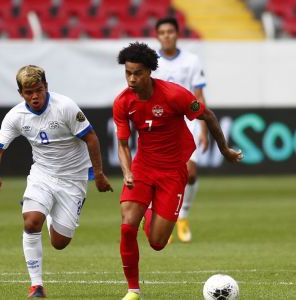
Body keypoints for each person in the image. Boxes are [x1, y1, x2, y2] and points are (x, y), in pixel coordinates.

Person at [113, 42, 243, 300]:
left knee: (158, 243)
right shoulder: (123, 102)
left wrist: (224, 149)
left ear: (150, 71)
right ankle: (133, 289)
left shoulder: (174, 95)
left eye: (137, 73)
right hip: (142, 167)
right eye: (128, 72)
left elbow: (208, 116)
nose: (131, 79)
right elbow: (122, 144)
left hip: (173, 171)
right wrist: (127, 171)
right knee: (127, 225)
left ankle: (148, 213)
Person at [0, 65, 113, 298]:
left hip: (73, 179)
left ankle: (47, 210)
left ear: (46, 86)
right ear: (20, 93)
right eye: (28, 92)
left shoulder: (65, 107)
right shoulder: (15, 116)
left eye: (38, 90)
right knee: (31, 222)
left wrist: (99, 174)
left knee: (60, 242)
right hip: (42, 174)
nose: (34, 96)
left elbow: (92, 138)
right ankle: (37, 286)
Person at [151, 17, 209, 243]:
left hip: (188, 122)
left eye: (170, 31)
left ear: (177, 34)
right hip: (160, 125)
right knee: (160, 177)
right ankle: (163, 221)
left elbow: (199, 97)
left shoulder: (191, 61)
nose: (166, 35)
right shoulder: (152, 62)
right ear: (157, 36)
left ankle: (183, 216)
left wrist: (203, 126)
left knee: (190, 174)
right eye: (162, 32)